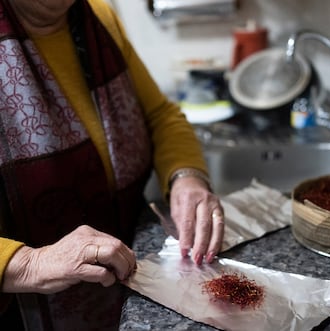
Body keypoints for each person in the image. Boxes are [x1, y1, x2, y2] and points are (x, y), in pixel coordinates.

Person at [0, 0, 225, 329]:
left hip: (121, 282)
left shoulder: (97, 16)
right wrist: (30, 263)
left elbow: (160, 116)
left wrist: (186, 177)